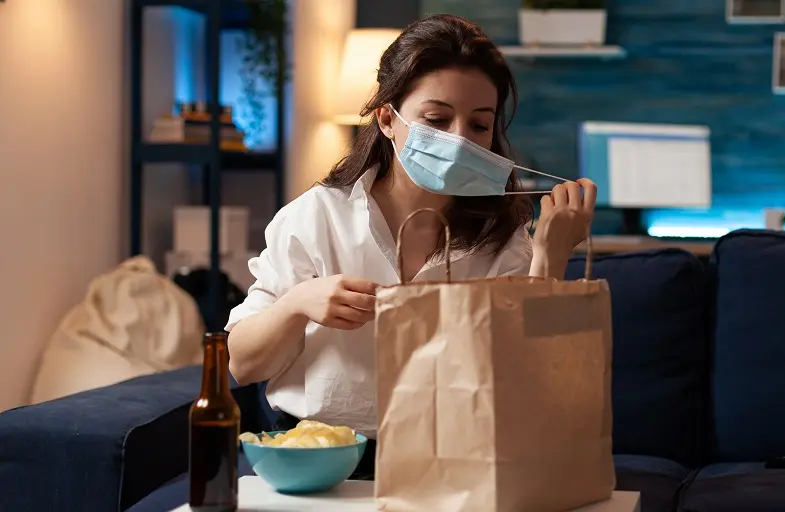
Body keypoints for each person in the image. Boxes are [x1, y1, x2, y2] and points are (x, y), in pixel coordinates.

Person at [224, 14, 596, 480]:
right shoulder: (316, 217)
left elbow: (528, 380)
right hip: (322, 463)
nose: (459, 141)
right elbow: (243, 364)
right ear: (387, 119)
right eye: (437, 120)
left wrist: (549, 256)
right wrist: (297, 304)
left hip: (454, 465)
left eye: (479, 125)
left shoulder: (501, 236)